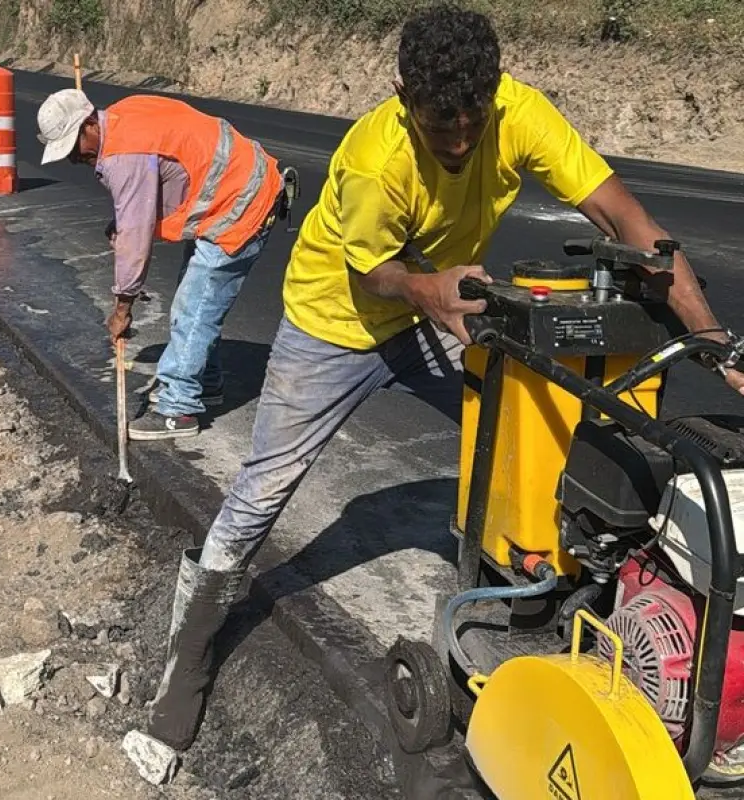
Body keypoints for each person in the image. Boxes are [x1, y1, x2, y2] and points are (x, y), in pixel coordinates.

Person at [141, 1, 744, 754]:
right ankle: (189, 652)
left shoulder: (518, 113)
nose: (460, 140)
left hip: (443, 304)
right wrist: (435, 293)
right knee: (265, 483)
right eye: (440, 125)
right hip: (337, 324)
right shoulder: (375, 159)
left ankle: (555, 603)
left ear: (496, 93)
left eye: (473, 121)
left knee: (552, 431)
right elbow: (377, 276)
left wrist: (714, 340)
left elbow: (625, 217)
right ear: (405, 100)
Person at [36, 89, 288, 441]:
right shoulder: (123, 116)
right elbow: (159, 184)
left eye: (74, 147)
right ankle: (205, 381)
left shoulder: (125, 154)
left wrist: (122, 308)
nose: (74, 158)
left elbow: (135, 244)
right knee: (196, 300)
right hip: (231, 189)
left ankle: (178, 408)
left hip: (242, 199)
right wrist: (125, 221)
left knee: (194, 307)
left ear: (90, 123)